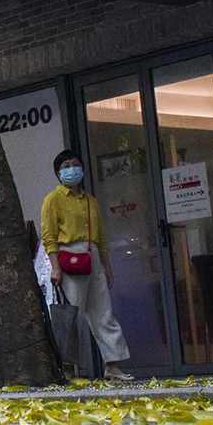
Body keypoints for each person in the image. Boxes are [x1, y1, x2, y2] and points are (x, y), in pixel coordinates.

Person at [38, 150, 134, 382]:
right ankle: (68, 367)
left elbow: (100, 237)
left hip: (92, 257)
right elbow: (49, 235)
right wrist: (54, 267)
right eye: (67, 166)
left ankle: (113, 364)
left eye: (76, 165)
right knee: (70, 315)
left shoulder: (91, 201)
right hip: (68, 257)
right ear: (58, 173)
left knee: (103, 312)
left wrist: (107, 267)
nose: (73, 169)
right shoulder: (52, 199)